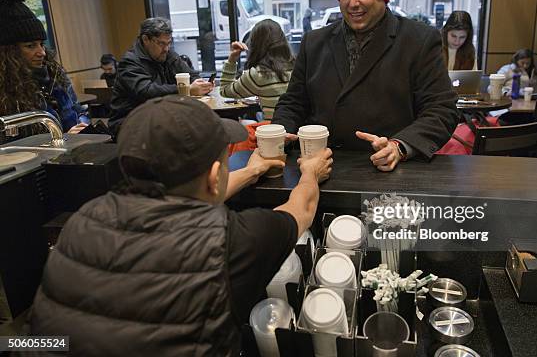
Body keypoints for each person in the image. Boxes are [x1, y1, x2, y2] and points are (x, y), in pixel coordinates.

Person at [25, 95, 333, 356]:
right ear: (215, 175)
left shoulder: (85, 218)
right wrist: (310, 172)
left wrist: (251, 172)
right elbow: (302, 208)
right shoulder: (233, 241)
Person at [272, 0, 459, 171]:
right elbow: (293, 102)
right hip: (318, 169)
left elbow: (442, 109)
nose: (352, 3)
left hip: (388, 169)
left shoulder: (419, 40)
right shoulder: (314, 42)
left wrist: (399, 146)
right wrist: (280, 132)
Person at [0, 0, 89, 143]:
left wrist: (83, 124)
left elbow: (79, 110)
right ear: (9, 51)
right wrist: (62, 139)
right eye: (30, 46)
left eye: (41, 44)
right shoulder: (5, 88)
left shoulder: (56, 74)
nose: (41, 52)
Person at [108, 17, 214, 135]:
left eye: (169, 43)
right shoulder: (130, 62)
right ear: (145, 39)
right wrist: (186, 89)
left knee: (201, 124)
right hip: (128, 121)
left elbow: (190, 75)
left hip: (158, 115)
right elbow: (146, 91)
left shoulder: (167, 54)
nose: (166, 49)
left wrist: (200, 84)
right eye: (161, 43)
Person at [220, 19, 294, 120]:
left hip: (272, 131)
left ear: (254, 44)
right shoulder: (298, 66)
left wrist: (232, 59)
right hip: (300, 130)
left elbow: (224, 90)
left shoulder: (258, 74)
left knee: (242, 122)